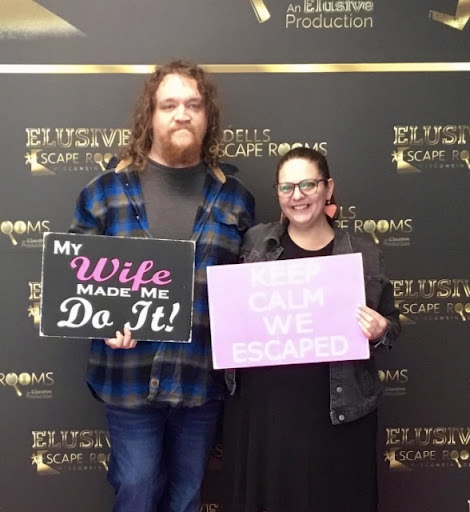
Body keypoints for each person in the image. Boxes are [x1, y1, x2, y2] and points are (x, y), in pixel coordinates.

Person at [69, 60, 255, 512]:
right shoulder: (103, 192)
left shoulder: (235, 197)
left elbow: (250, 290)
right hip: (129, 376)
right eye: (169, 105)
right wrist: (103, 321)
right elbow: (74, 280)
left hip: (200, 379)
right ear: (149, 116)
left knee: (188, 496)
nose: (182, 114)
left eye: (193, 104)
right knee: (136, 489)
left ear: (207, 116)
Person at [223, 147, 400, 512]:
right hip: (265, 412)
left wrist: (381, 329)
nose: (297, 196)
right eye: (287, 187)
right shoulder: (255, 243)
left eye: (308, 184)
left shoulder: (363, 253)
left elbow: (391, 326)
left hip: (337, 414)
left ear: (328, 188)